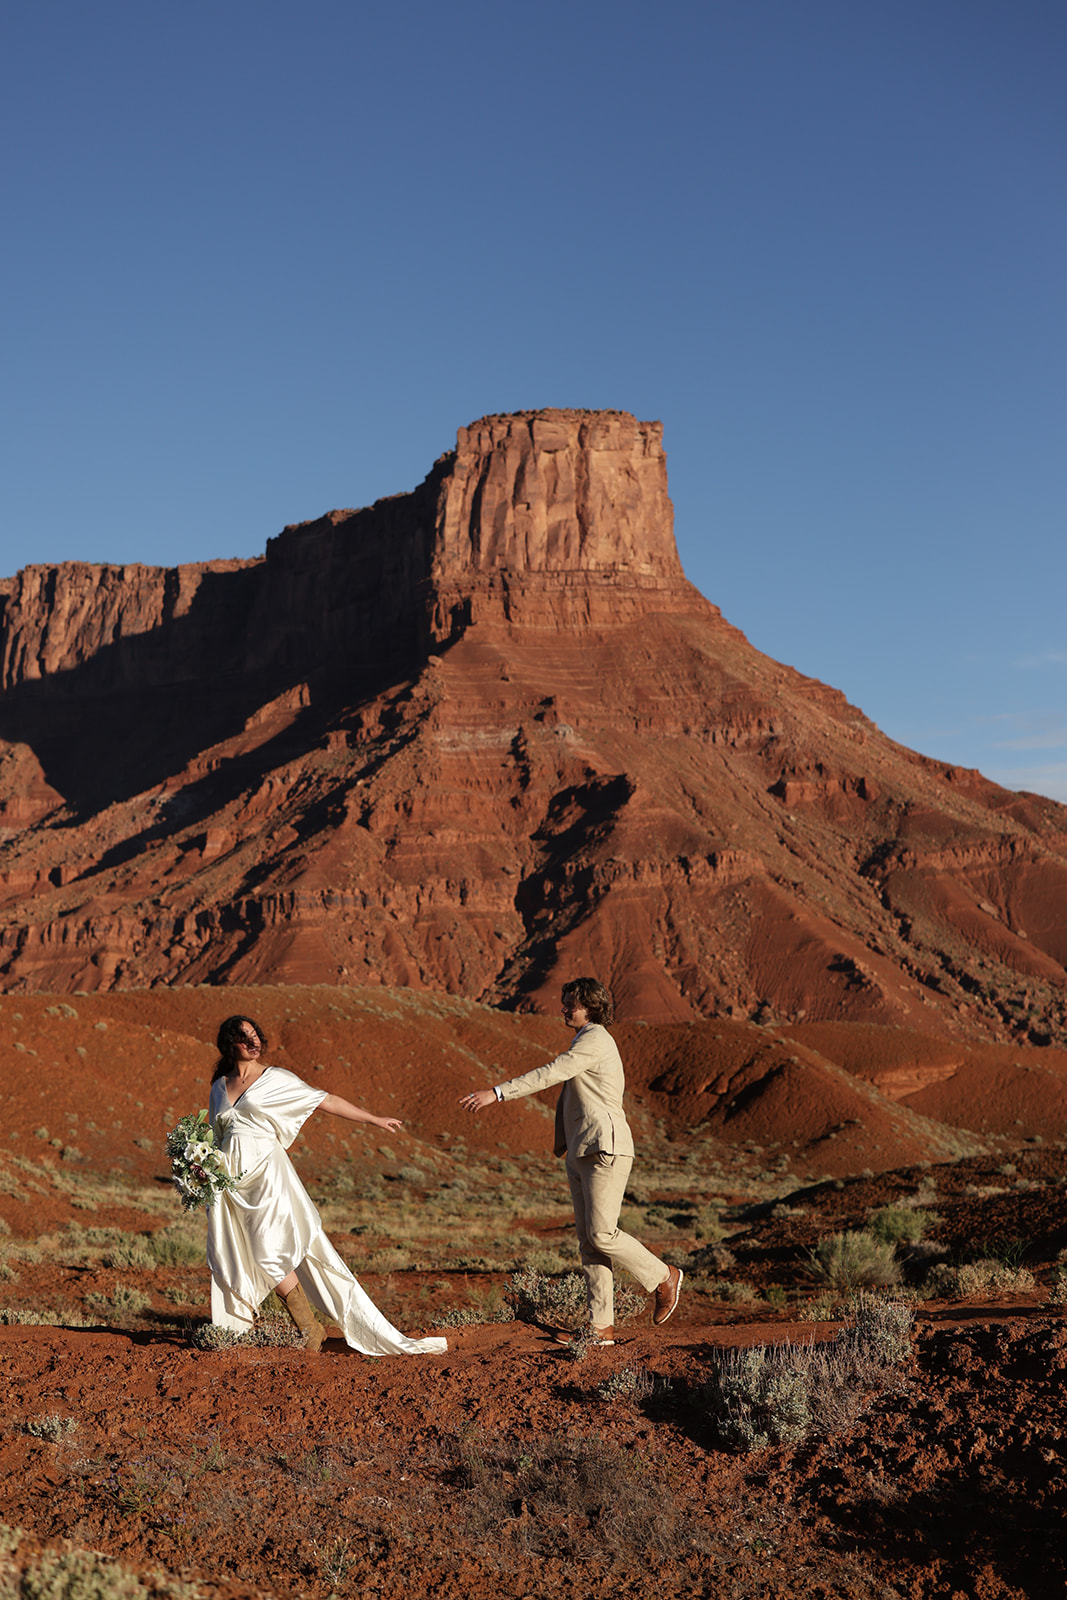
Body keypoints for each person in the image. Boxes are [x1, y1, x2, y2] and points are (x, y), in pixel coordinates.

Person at [206, 1014, 446, 1357]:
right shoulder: (219, 1087)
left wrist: (373, 1119)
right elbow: (214, 1136)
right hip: (235, 1183)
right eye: (245, 1037)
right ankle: (310, 1329)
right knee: (255, 1253)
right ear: (229, 1044)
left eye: (256, 1034)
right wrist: (202, 1169)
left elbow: (326, 1100)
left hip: (269, 1177)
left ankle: (310, 1329)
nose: (253, 1041)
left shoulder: (275, 1079)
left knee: (268, 1251)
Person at [459, 977, 681, 1346]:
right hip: (583, 1150)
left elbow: (551, 1073)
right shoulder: (585, 1039)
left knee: (601, 1234)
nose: (564, 1009)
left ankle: (664, 1277)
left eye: (571, 1005)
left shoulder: (594, 1040)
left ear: (591, 1007)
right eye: (564, 1003)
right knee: (589, 1242)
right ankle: (600, 1328)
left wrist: (497, 1093)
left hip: (604, 1148)